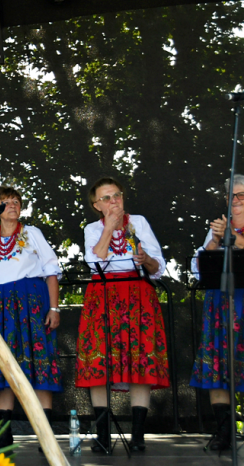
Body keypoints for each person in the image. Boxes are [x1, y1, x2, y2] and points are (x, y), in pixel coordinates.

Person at [76, 176, 169, 453]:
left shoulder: (138, 222)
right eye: (106, 198)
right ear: (96, 205)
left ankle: (138, 434)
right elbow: (94, 261)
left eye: (116, 195)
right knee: (99, 358)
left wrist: (146, 260)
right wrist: (110, 229)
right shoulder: (93, 228)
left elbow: (157, 266)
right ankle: (102, 433)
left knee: (141, 357)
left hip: (138, 294)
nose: (113, 201)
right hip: (103, 295)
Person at [0, 186, 62, 450]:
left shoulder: (32, 233)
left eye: (16, 202)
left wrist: (54, 309)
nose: (12, 205)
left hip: (31, 306)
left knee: (39, 363)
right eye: (5, 202)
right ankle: (3, 433)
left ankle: (44, 433)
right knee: (2, 366)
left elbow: (51, 272)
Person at [189, 174, 244, 451]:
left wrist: (233, 239)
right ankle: (225, 431)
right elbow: (198, 267)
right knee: (219, 367)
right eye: (231, 197)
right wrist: (214, 241)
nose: (235, 202)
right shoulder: (219, 227)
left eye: (242, 196)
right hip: (220, 305)